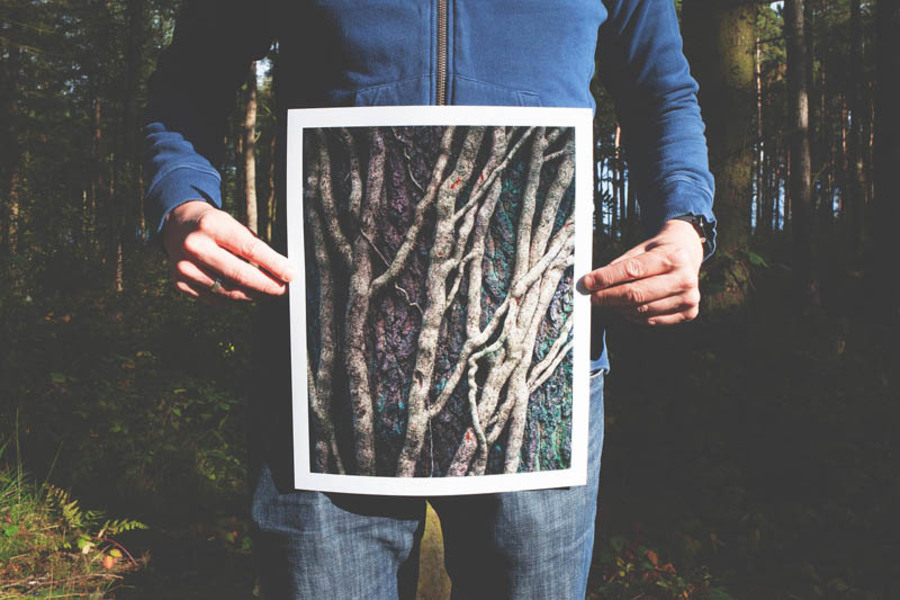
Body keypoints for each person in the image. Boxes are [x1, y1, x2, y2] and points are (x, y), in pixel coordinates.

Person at [144, 1, 716, 598]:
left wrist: (685, 219)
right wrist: (183, 198)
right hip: (320, 375)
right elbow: (190, 79)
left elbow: (663, 93)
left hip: (537, 369)